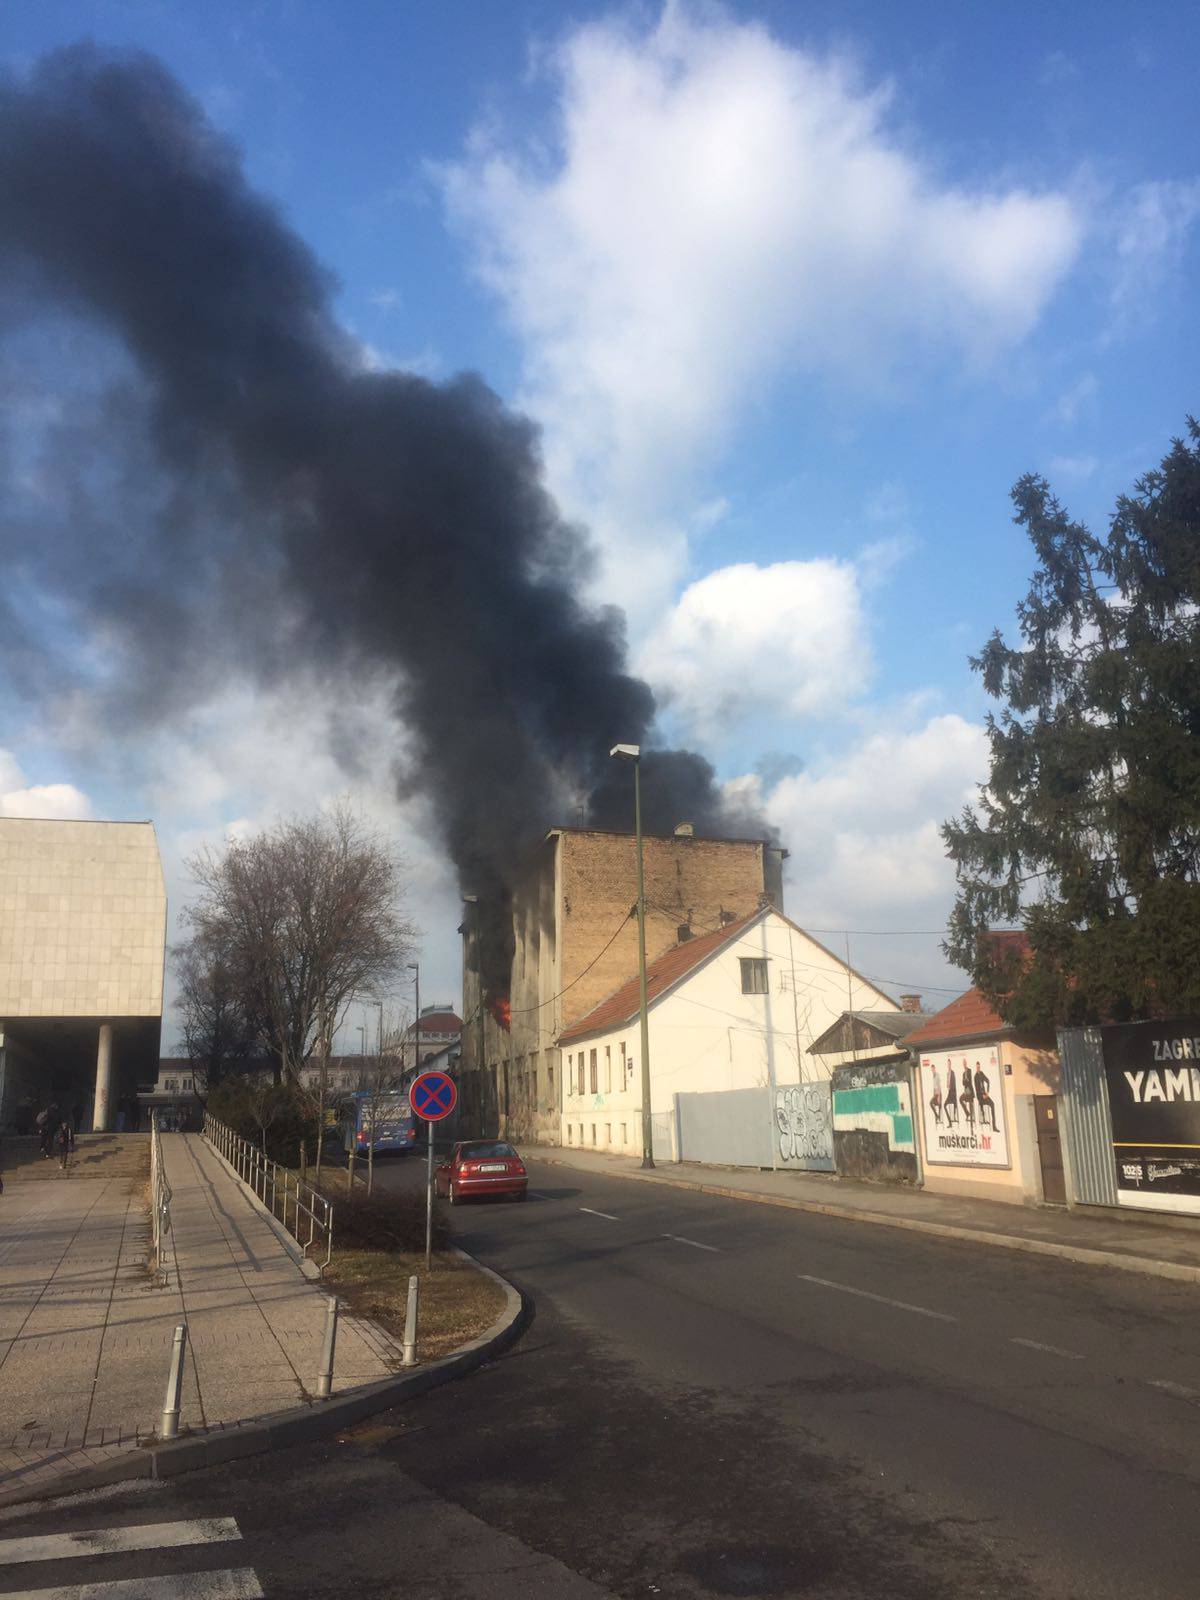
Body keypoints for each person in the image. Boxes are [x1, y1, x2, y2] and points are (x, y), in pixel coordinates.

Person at [974, 1063, 998, 1133]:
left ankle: (994, 1126)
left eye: (979, 1067)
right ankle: (983, 1120)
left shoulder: (982, 1073)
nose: (978, 1068)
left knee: (992, 1104)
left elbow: (988, 1081)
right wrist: (982, 1096)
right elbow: (977, 1090)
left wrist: (987, 1092)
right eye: (977, 1067)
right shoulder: (975, 1077)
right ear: (976, 1068)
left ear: (980, 1067)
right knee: (982, 1108)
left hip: (985, 1094)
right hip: (980, 1096)